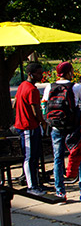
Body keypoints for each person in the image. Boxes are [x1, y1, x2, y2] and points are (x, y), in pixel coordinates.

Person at [42, 62, 81, 202]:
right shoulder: (76, 87)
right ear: (70, 72)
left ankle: (60, 192)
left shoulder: (49, 87)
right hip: (74, 128)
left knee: (58, 159)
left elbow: (44, 104)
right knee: (80, 155)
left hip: (56, 127)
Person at [14, 62, 47, 196]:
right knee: (30, 157)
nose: (41, 75)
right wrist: (43, 122)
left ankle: (36, 182)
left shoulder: (22, 86)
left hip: (25, 125)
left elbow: (15, 103)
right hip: (28, 126)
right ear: (30, 74)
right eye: (38, 73)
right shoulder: (32, 90)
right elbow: (35, 111)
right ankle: (31, 186)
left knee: (34, 156)